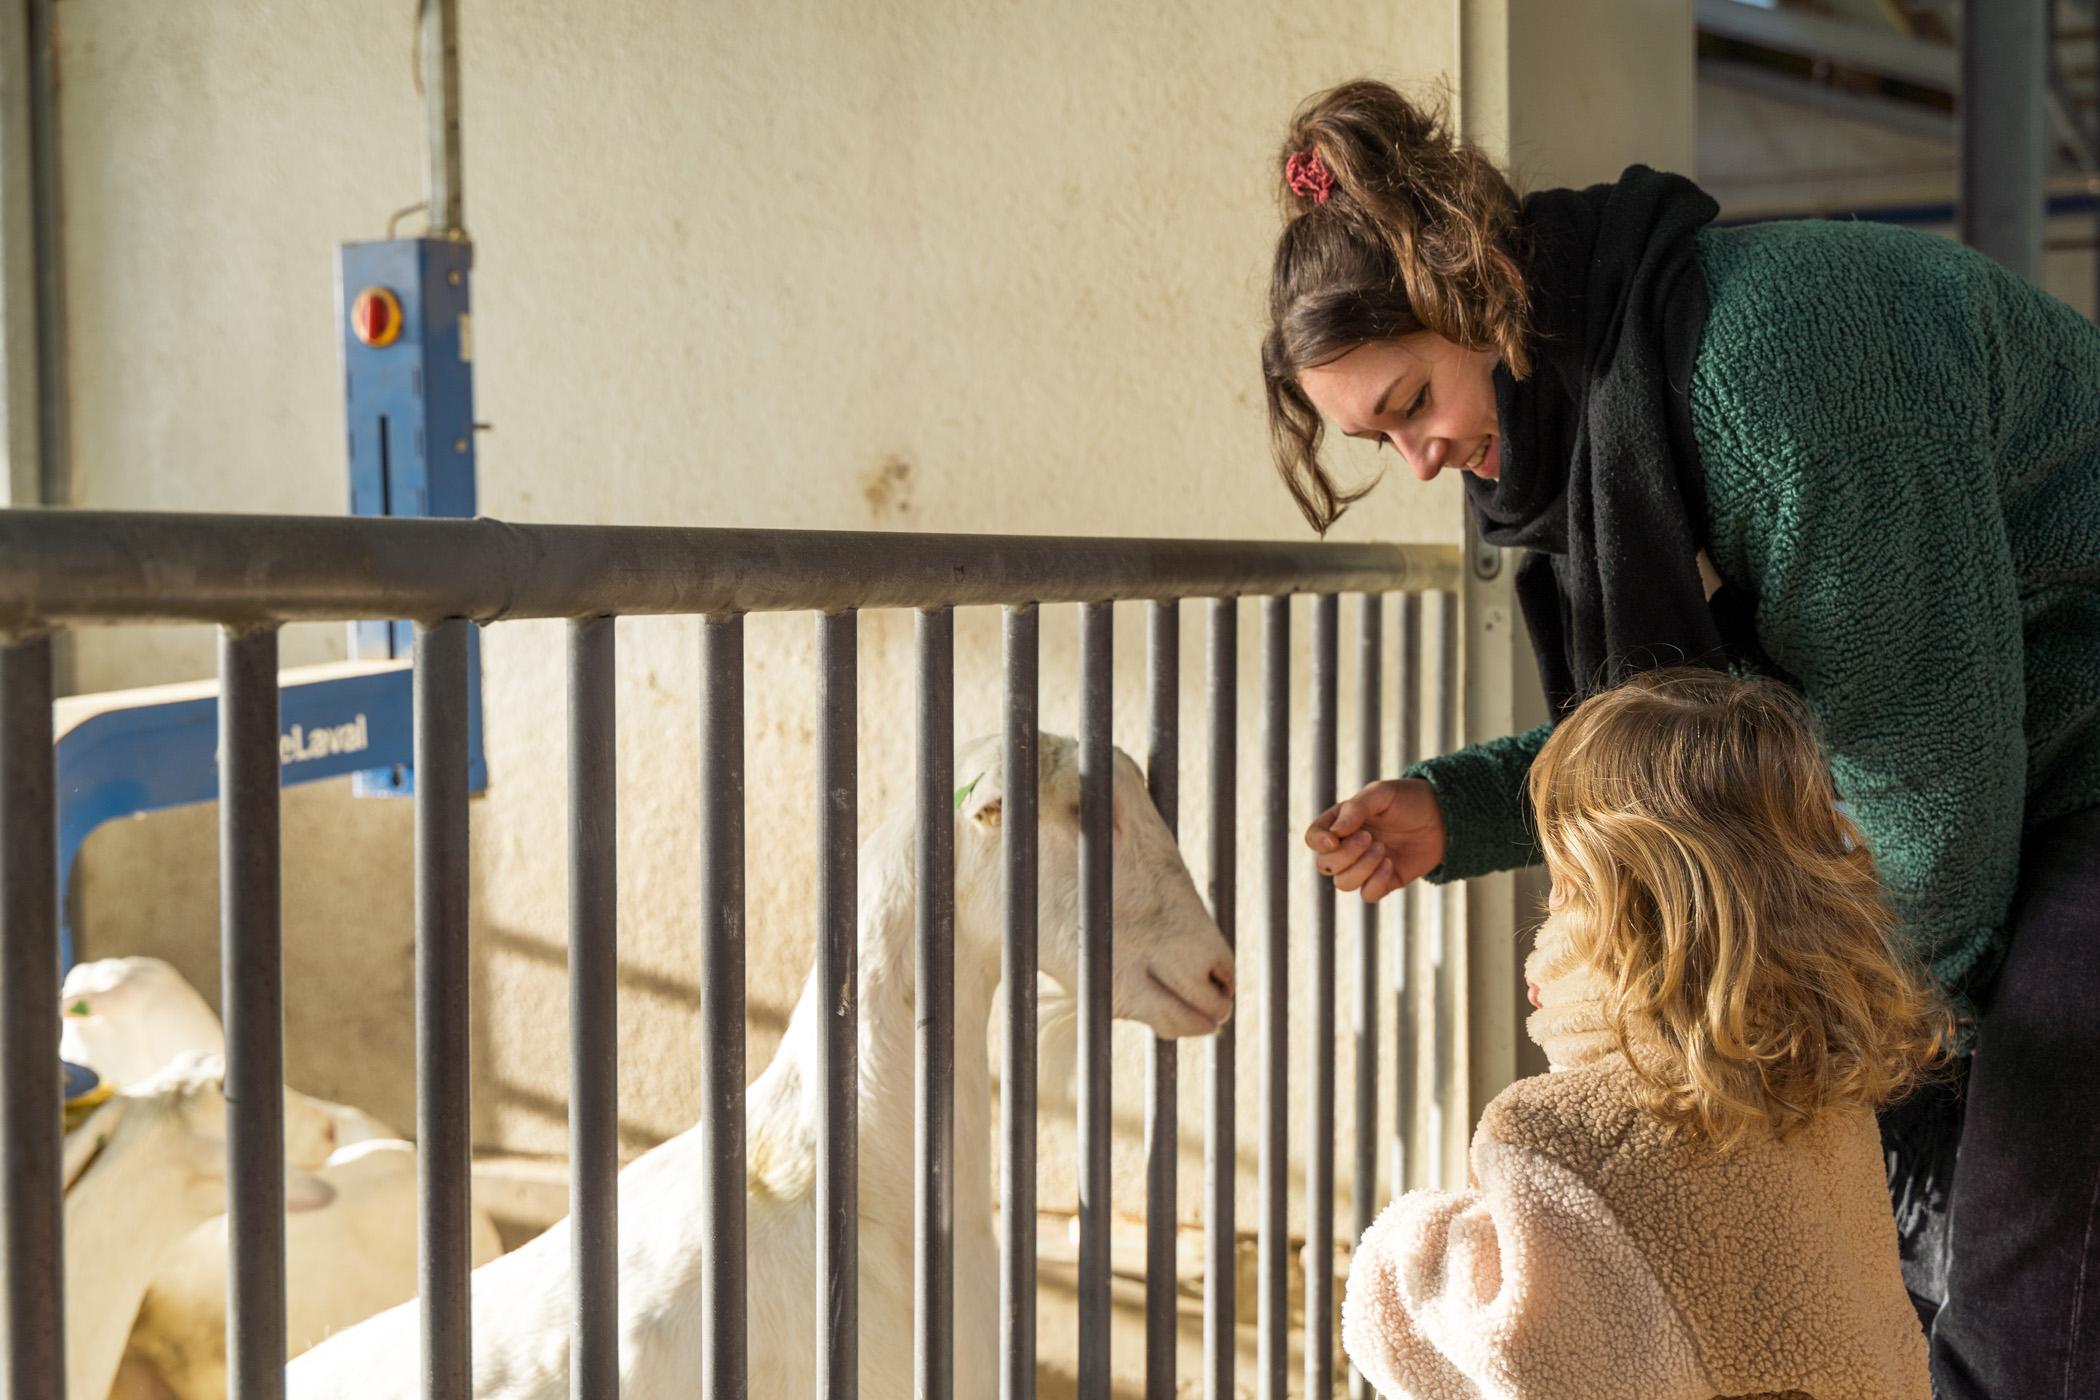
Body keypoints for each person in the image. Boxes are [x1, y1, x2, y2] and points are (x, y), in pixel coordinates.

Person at [1271, 80, 2100, 1398]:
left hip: (2070, 767)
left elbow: (1933, 795)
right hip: (2009, 762)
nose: (1421, 459)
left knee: (2025, 1271)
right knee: (1894, 1231)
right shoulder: (1620, 403)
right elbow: (1687, 749)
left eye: (1413, 400)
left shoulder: (1778, 380)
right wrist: (1460, 810)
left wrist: (1775, 1038)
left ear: (1485, 283)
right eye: (1381, 438)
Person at [1341, 669, 1951, 1399]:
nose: (1549, 911)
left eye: (1563, 884)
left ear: (1612, 911)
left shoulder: (1555, 1136)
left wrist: (1408, 1250)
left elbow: (1510, 1355)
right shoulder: (1824, 1091)